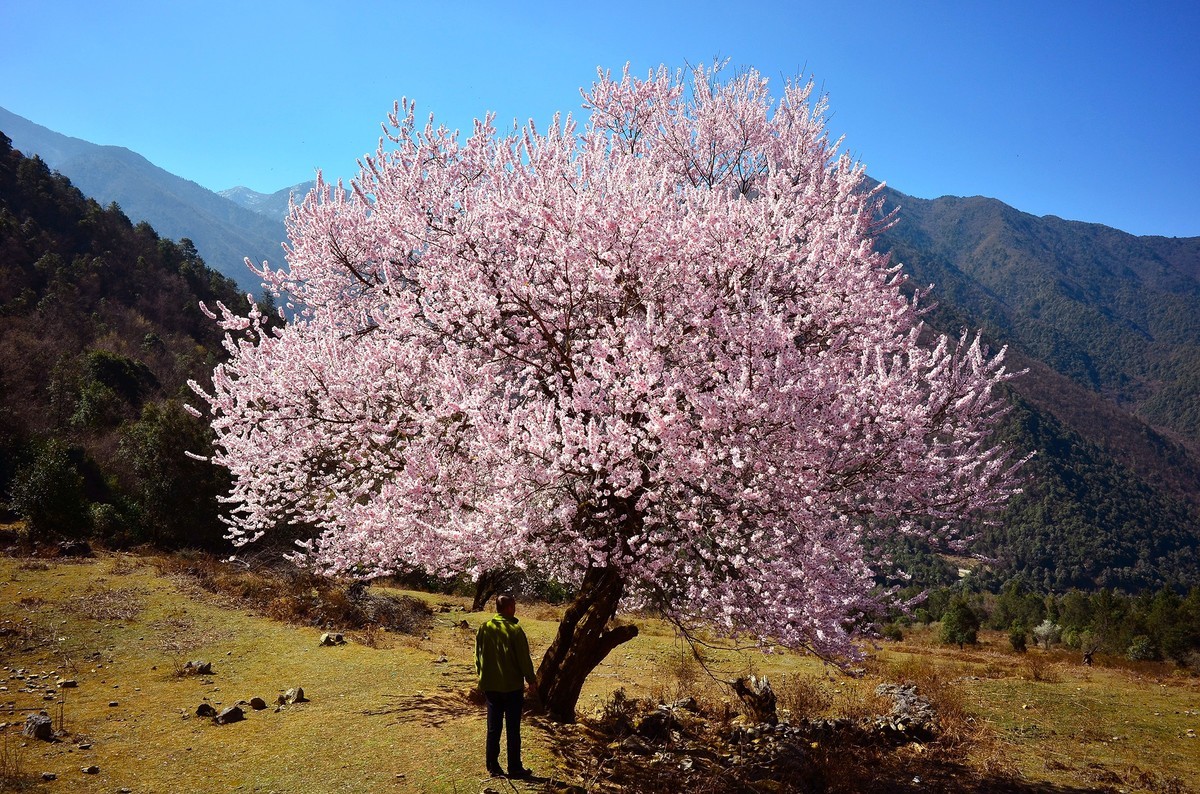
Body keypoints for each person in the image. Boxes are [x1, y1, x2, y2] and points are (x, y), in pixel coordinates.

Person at [475, 593, 538, 778]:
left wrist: (481, 677)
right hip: (511, 688)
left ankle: (493, 766)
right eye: (514, 606)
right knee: (513, 729)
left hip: (491, 686)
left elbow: (477, 657)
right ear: (510, 608)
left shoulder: (484, 628)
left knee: (493, 728)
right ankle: (515, 767)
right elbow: (524, 660)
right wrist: (531, 680)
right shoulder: (515, 630)